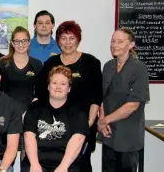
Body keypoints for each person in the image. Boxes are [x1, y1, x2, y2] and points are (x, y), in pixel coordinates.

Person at [35, 21, 102, 172]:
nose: (67, 43)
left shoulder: (91, 63)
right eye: (63, 38)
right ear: (58, 41)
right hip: (56, 128)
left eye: (71, 38)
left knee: (80, 164)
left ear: (78, 39)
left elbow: (96, 97)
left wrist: (88, 124)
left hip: (83, 124)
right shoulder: (51, 63)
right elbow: (41, 92)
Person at [98, 28, 150, 172]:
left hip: (128, 135)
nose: (115, 45)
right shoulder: (108, 66)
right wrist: (101, 120)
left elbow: (132, 105)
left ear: (131, 45)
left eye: (120, 42)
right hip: (108, 133)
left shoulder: (139, 68)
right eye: (113, 41)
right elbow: (102, 97)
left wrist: (105, 120)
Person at [21, 65, 88, 172]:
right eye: (54, 83)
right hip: (37, 162)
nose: (58, 87)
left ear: (69, 88)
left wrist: (63, 166)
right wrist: (34, 164)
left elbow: (78, 138)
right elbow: (29, 136)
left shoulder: (78, 110)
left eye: (63, 84)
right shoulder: (35, 107)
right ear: (48, 86)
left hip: (67, 164)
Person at [0, 26, 42, 159]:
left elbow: (41, 92)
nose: (21, 44)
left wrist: (29, 111)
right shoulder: (3, 63)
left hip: (29, 117)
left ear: (29, 42)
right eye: (17, 41)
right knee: (6, 158)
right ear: (12, 43)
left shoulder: (36, 64)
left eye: (24, 41)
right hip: (6, 116)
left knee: (28, 158)